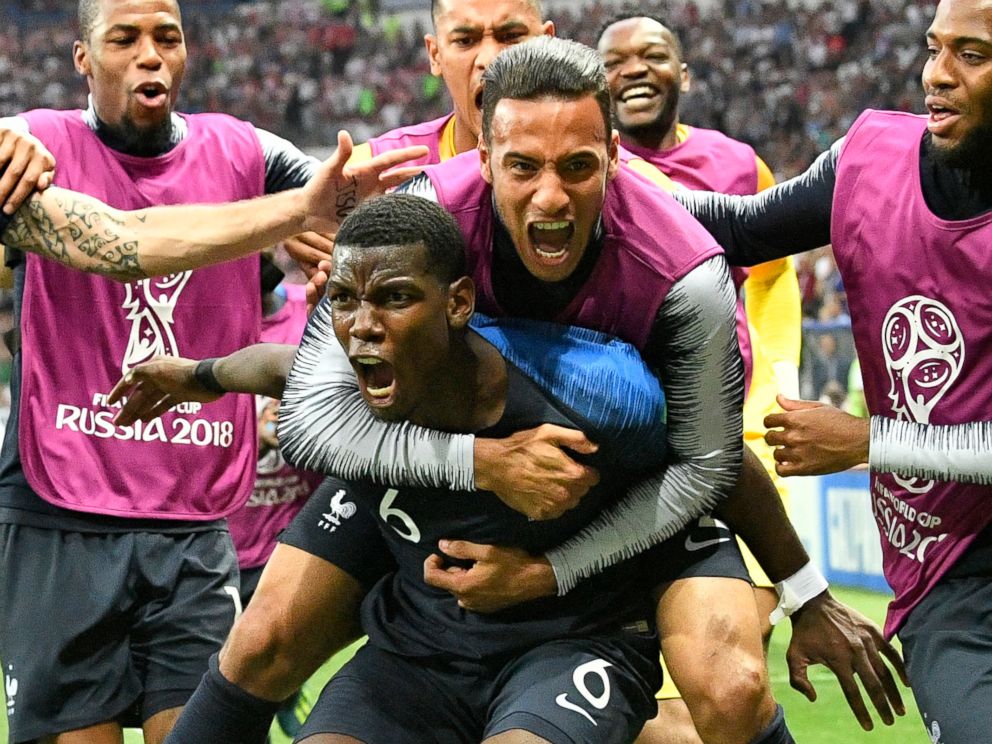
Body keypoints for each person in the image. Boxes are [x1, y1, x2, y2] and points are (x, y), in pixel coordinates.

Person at [0, 1, 422, 741]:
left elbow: (358, 217)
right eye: (124, 38)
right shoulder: (33, 145)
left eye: (167, 37)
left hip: (192, 516)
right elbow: (128, 241)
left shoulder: (245, 152)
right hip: (61, 505)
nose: (150, 55)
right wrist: (299, 211)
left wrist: (354, 263)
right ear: (81, 59)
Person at [664, 0, 992, 738]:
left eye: (971, 55)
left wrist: (869, 441)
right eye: (936, 47)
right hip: (956, 575)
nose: (935, 75)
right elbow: (741, 227)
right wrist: (599, 175)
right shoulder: (870, 156)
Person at [596, 15, 804, 743]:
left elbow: (777, 281)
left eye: (654, 56)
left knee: (731, 685)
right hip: (620, 466)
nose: (635, 70)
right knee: (632, 697)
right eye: (616, 60)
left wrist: (773, 386)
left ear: (683, 74)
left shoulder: (739, 167)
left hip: (724, 455)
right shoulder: (578, 171)